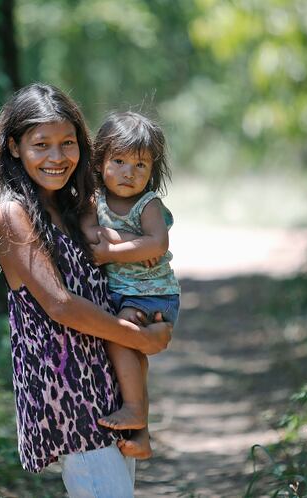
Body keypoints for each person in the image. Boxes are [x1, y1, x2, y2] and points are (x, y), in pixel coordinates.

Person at [0, 84, 172, 497]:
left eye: (67, 143)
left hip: (105, 381)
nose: (57, 157)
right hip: (69, 385)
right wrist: (141, 339)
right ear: (14, 147)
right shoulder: (12, 213)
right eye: (41, 145)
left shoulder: (73, 204)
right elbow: (60, 305)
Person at [81, 111, 181, 459]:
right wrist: (125, 242)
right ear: (100, 162)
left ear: (153, 170)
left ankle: (136, 412)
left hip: (152, 294)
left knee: (120, 339)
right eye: (119, 161)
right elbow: (88, 233)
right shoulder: (95, 200)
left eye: (140, 165)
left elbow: (158, 244)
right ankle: (141, 435)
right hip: (130, 293)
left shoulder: (147, 203)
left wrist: (111, 253)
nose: (128, 172)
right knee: (133, 354)